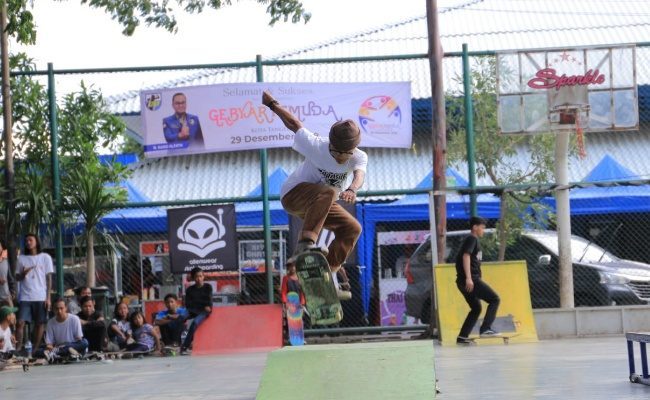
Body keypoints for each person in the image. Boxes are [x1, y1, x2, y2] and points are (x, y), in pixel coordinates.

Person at [262, 90, 367, 297]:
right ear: (330, 144)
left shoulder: (358, 157)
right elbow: (294, 123)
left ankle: (326, 277)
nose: (340, 157)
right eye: (335, 152)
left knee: (352, 228)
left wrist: (352, 189)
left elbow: (359, 175)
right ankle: (305, 245)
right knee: (329, 191)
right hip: (294, 195)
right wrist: (272, 104)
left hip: (320, 205)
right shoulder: (316, 145)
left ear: (353, 150)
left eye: (345, 154)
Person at [455, 216, 501, 345]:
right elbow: (466, 256)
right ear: (475, 227)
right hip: (470, 280)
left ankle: (462, 337)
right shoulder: (472, 239)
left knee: (476, 308)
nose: (483, 230)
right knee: (495, 299)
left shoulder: (472, 240)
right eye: (482, 227)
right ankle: (485, 329)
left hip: (462, 281)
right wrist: (469, 278)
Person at [15, 233, 53, 353]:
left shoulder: (45, 257)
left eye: (30, 240)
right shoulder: (21, 258)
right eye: (26, 241)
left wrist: (48, 298)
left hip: (40, 296)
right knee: (20, 322)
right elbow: (17, 277)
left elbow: (49, 278)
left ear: (36, 241)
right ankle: (18, 349)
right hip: (25, 296)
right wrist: (23, 274)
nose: (28, 242)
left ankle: (34, 350)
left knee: (39, 323)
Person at [181, 267, 212, 354]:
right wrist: (202, 303)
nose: (199, 279)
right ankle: (175, 343)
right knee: (180, 318)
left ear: (203, 277)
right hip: (192, 310)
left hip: (204, 311)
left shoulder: (208, 287)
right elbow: (188, 304)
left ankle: (185, 346)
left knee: (194, 323)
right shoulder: (190, 290)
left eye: (200, 276)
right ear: (193, 278)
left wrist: (197, 302)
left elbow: (208, 303)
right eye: (196, 277)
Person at [0, 240, 13, 307]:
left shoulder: (5, 260)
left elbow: (9, 277)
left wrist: (12, 292)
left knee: (11, 314)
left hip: (6, 297)